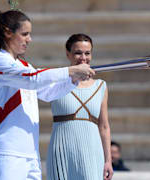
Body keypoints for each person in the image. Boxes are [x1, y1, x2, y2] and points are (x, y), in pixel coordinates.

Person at [0, 10, 94, 180]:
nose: (30, 39)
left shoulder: (24, 65)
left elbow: (48, 93)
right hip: (6, 154)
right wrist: (71, 70)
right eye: (25, 34)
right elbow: (33, 79)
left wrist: (73, 79)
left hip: (30, 154)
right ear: (7, 33)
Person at [46, 34, 113, 180]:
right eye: (78, 53)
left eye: (87, 53)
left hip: (92, 150)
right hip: (62, 149)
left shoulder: (101, 86)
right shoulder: (56, 81)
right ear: (68, 54)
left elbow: (104, 126)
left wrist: (108, 160)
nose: (83, 58)